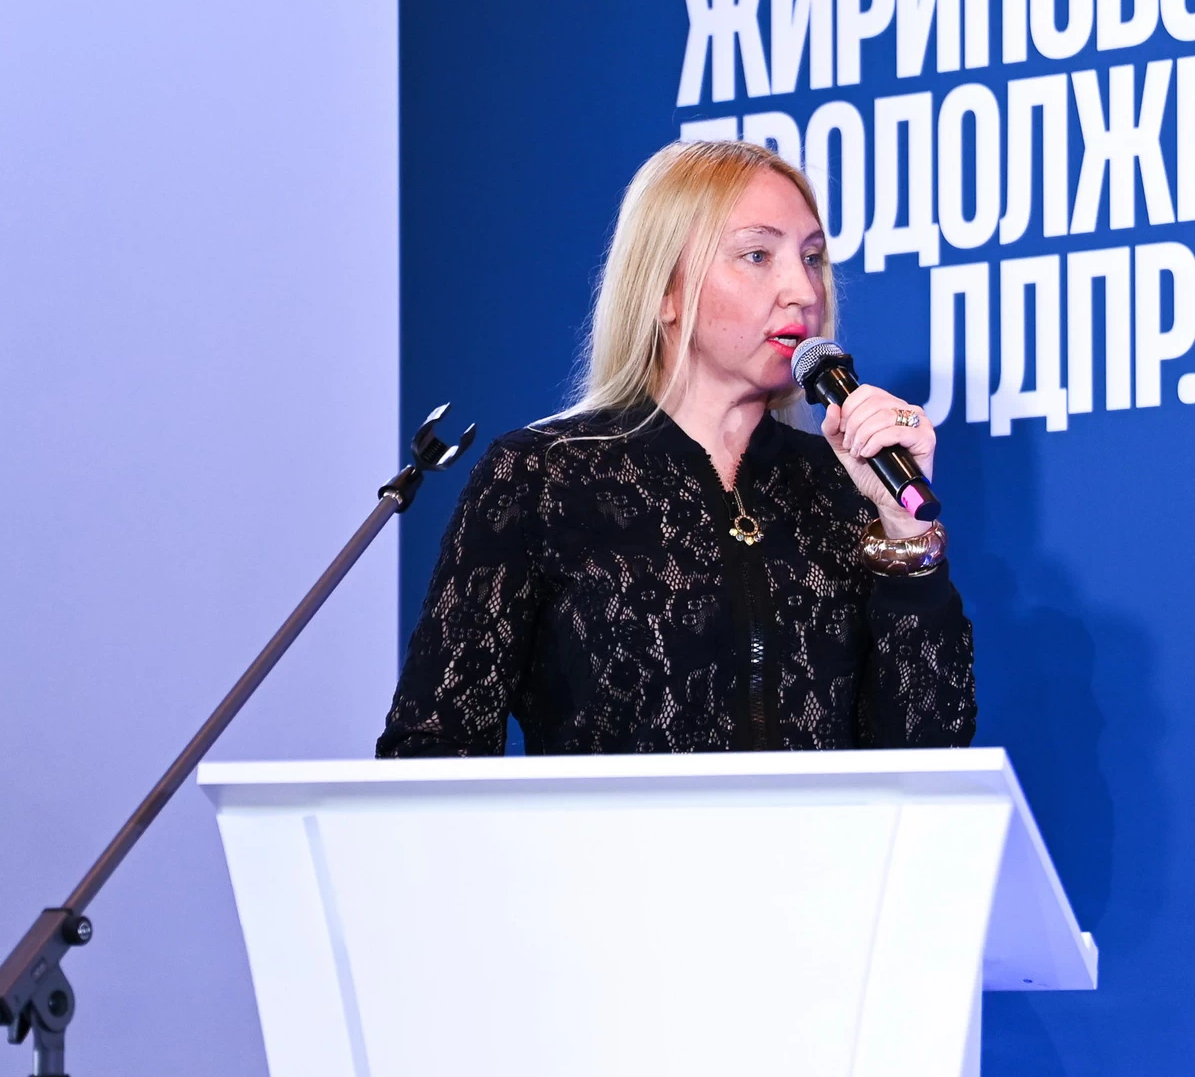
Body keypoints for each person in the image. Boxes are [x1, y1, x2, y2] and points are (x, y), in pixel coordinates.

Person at [376, 137, 975, 759]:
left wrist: (904, 531)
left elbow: (929, 759)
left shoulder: (844, 483)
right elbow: (431, 749)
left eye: (812, 258)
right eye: (757, 255)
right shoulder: (543, 477)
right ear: (664, 291)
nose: (803, 290)